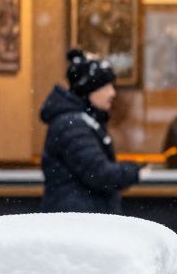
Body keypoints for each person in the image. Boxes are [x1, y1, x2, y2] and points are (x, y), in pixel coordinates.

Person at [40, 49, 142, 214]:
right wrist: (135, 171)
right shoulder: (72, 125)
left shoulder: (80, 121)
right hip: (76, 223)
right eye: (106, 86)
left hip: (79, 218)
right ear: (90, 89)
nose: (113, 93)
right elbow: (99, 174)